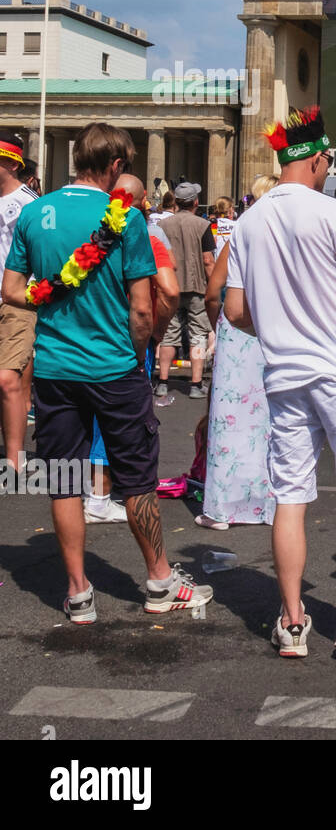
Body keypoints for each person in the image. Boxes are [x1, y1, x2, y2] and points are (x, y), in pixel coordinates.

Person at [3, 123, 212, 623]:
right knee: (136, 478)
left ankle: (77, 592)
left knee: (64, 478)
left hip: (55, 368)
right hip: (114, 367)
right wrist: (137, 353)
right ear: (116, 165)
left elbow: (11, 290)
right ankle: (160, 580)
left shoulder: (34, 212)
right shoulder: (124, 219)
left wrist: (44, 296)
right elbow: (144, 308)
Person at [225, 106, 336, 658]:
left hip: (284, 372)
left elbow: (233, 311)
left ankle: (293, 621)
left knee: (292, 494)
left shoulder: (248, 221)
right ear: (319, 159)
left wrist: (278, 324)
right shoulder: (335, 215)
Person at [85, 174, 180, 524]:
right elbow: (169, 290)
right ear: (143, 202)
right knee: (121, 417)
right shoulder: (147, 233)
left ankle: (91, 492)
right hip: (128, 336)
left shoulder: (89, 228)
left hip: (85, 333)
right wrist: (157, 330)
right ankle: (101, 495)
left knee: (87, 415)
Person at [200, 173, 278, 530]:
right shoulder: (284, 237)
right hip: (272, 330)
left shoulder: (244, 231)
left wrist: (220, 325)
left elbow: (212, 292)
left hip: (237, 330)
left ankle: (222, 508)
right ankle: (266, 503)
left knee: (229, 419)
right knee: (269, 421)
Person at [0, 127, 38, 474]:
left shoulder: (30, 204)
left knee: (7, 379)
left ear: (10, 164)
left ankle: (13, 461)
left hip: (15, 300)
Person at [157, 181, 215, 401]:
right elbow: (208, 260)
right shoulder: (202, 225)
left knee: (169, 335)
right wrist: (214, 285)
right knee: (198, 334)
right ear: (196, 202)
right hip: (195, 285)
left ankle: (162, 382)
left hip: (170, 284)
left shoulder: (164, 225)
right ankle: (196, 383)